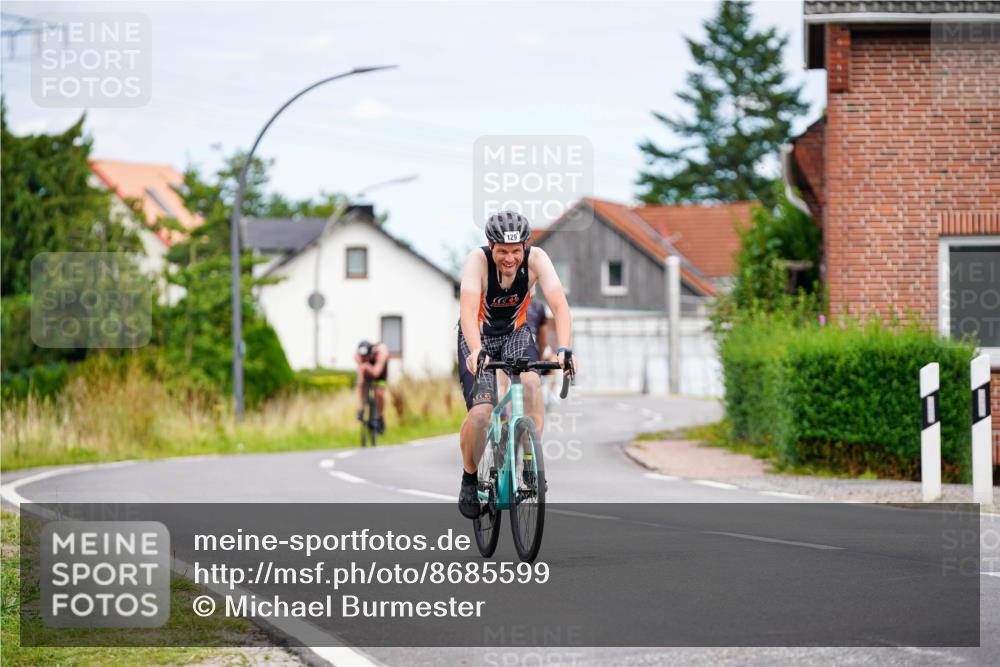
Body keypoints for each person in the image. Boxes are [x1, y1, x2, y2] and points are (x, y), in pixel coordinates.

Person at [456, 211, 574, 519]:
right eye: (502, 251)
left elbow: (559, 305)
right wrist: (476, 350)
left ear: (525, 247)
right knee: (481, 414)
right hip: (478, 334)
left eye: (515, 251)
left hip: (515, 333)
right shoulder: (476, 262)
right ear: (491, 246)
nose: (510, 258)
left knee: (532, 384)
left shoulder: (538, 260)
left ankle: (529, 462)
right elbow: (468, 313)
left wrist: (563, 348)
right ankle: (470, 476)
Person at [355, 340, 389, 434]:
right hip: (367, 371)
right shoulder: (357, 356)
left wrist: (366, 366)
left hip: (380, 372)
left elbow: (376, 372)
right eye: (363, 358)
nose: (365, 359)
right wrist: (361, 383)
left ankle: (380, 417)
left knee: (379, 392)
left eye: (367, 357)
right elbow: (360, 375)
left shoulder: (381, 353)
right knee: (362, 385)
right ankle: (361, 408)